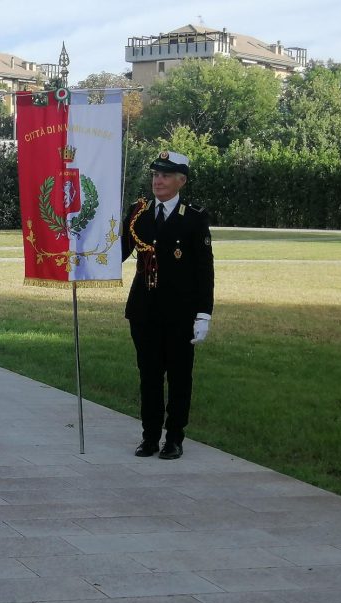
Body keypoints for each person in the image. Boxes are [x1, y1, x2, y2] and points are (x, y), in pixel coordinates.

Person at [122, 151, 214, 460]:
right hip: (144, 311)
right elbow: (117, 251)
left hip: (179, 313)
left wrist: (203, 314)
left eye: (164, 175)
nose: (157, 180)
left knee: (178, 377)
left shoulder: (194, 217)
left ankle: (174, 437)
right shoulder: (139, 212)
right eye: (155, 175)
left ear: (181, 180)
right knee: (148, 375)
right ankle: (149, 437)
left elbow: (204, 270)